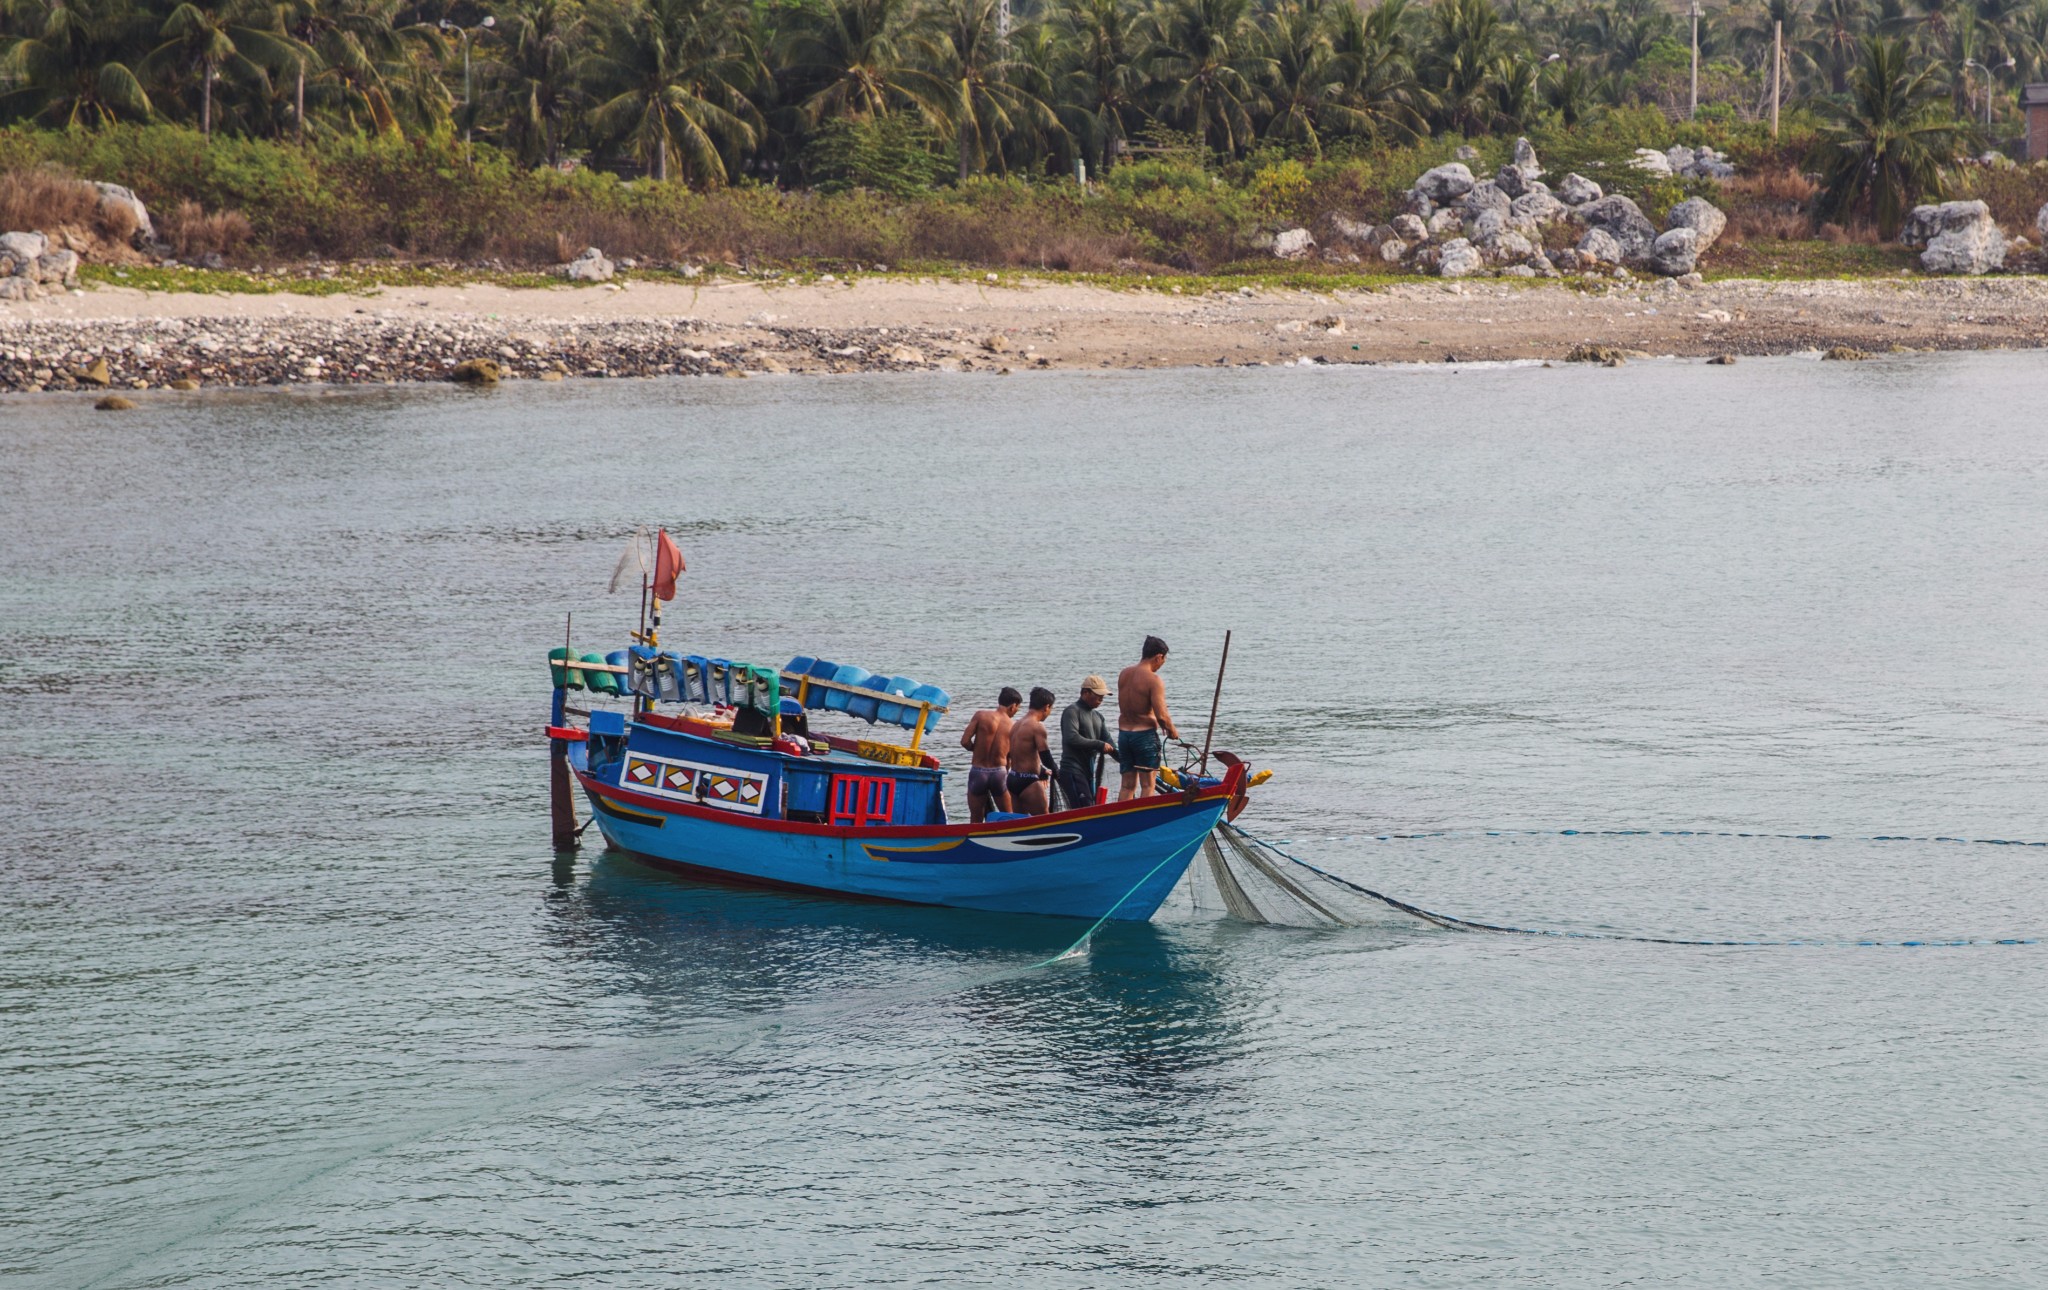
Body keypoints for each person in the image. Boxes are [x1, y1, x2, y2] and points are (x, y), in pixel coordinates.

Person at [1116, 636, 1182, 800]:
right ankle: (1142, 820)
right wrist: (1173, 731)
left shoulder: (1124, 674)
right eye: (1163, 659)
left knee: (1127, 785)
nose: (1162, 664)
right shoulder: (1154, 680)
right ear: (1158, 657)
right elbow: (1161, 716)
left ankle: (1123, 822)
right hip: (1144, 737)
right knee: (1147, 785)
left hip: (1124, 736)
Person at [960, 687, 1021, 822]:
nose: (1016, 711)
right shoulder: (1013, 725)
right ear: (1013, 706)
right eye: (1018, 708)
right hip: (999, 773)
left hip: (978, 772)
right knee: (1009, 816)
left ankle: (975, 842)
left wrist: (976, 750)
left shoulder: (980, 715)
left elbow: (964, 741)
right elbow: (1011, 756)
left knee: (976, 817)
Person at [1058, 675, 1116, 810]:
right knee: (1084, 808)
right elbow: (1071, 738)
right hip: (1072, 770)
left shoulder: (1098, 717)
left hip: (1088, 774)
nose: (1101, 699)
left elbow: (1111, 745)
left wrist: (1128, 761)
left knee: (1090, 807)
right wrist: (1098, 744)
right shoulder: (1072, 711)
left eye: (1103, 696)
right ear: (1085, 693)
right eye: (1098, 695)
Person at [1006, 687, 1056, 815]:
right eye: (1051, 709)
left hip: (1013, 778)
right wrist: (1058, 772)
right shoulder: (1037, 727)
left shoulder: (1016, 725)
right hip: (1028, 781)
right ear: (1046, 707)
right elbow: (1045, 755)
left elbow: (1015, 754)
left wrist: (1043, 770)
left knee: (1021, 821)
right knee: (1045, 820)